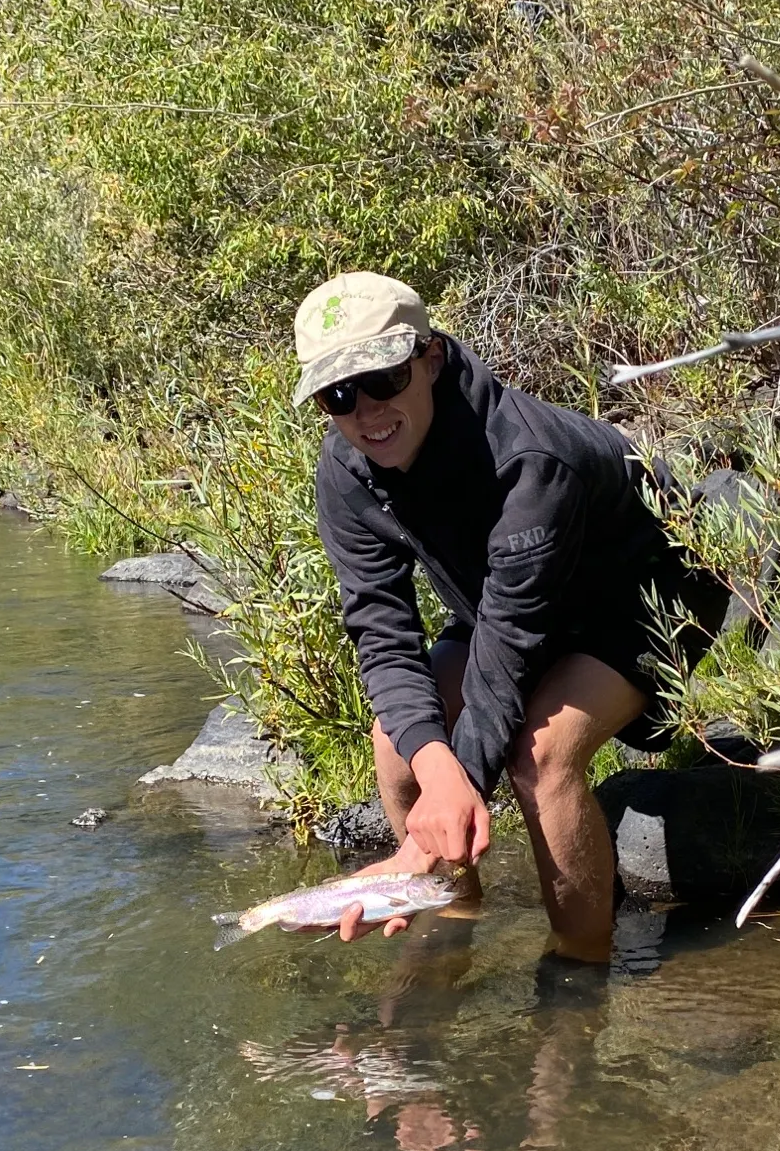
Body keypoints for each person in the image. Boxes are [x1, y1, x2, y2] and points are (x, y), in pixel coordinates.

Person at [293, 272, 728, 961]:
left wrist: (441, 806)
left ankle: (579, 972)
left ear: (430, 360)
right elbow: (382, 630)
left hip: (647, 598)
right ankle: (450, 917)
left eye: (383, 379)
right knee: (397, 744)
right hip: (507, 602)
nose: (367, 411)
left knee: (539, 756)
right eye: (338, 395)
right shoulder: (347, 470)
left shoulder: (528, 460)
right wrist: (436, 779)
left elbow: (509, 650)